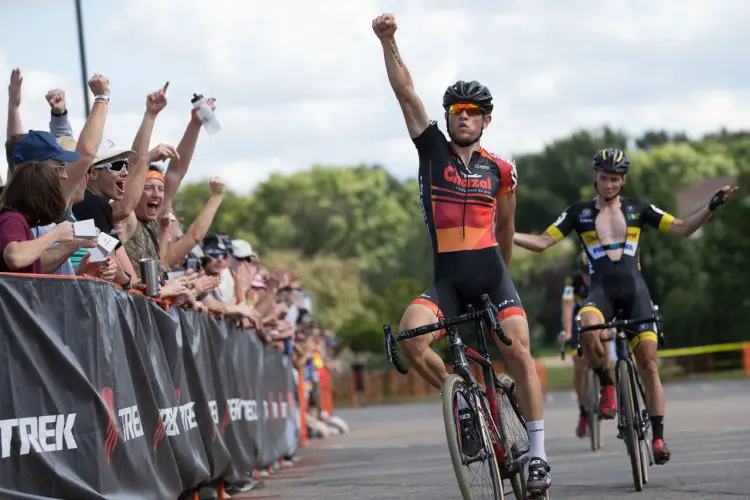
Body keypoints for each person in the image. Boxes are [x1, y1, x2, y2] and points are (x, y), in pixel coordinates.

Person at [372, 13, 551, 493]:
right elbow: (407, 94)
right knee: (410, 338)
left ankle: (537, 455)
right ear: (449, 118)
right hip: (447, 280)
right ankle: (465, 400)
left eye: (473, 111)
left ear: (486, 119)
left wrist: (504, 284)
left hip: (493, 277)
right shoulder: (432, 152)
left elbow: (508, 228)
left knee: (520, 353)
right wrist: (389, 40)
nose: (464, 116)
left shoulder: (502, 170)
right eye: (457, 110)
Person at [513, 147, 738, 464]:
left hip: (636, 294)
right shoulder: (579, 212)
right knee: (587, 325)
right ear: (596, 177)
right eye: (604, 178)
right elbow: (541, 242)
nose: (608, 184)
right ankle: (606, 385)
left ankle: (658, 438)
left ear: (623, 181)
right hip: (601, 292)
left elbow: (683, 228)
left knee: (648, 365)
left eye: (615, 179)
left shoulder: (639, 208)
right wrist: (503, 234)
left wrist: (711, 206)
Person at [560, 251, 600, 438]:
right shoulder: (572, 281)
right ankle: (584, 411)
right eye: (583, 272)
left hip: (600, 322)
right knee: (579, 365)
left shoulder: (601, 278)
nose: (587, 277)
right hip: (578, 324)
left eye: (589, 272)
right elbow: (567, 305)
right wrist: (567, 331)